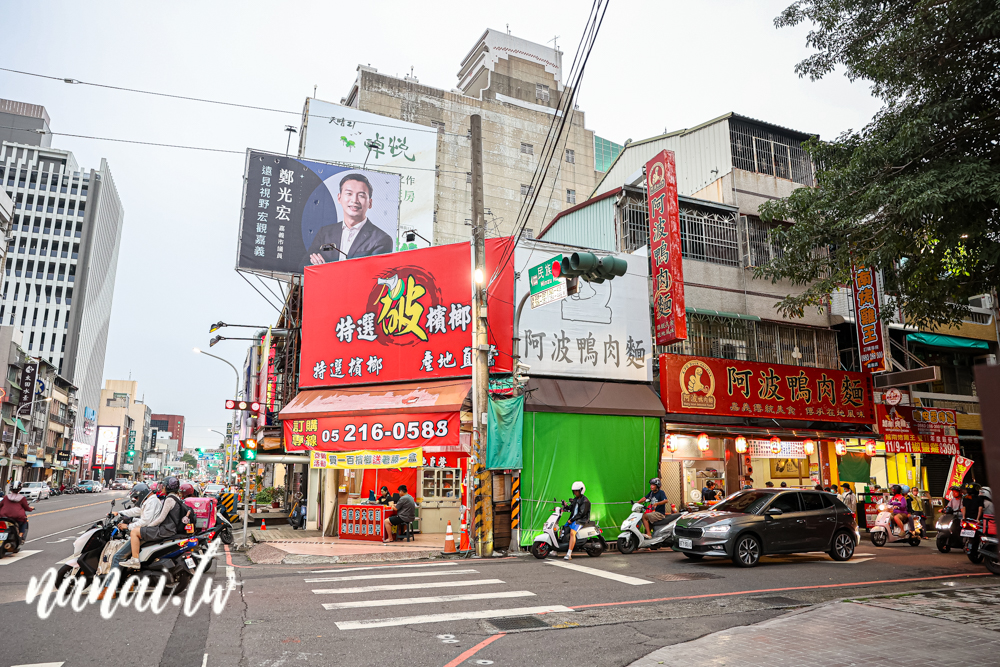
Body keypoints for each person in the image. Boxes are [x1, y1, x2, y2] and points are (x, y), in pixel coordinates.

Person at [303, 173, 394, 268]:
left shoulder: (381, 239)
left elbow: (372, 275)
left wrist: (325, 270)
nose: (354, 200)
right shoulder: (325, 233)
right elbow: (303, 265)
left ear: (370, 203)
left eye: (361, 195)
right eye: (349, 194)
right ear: (339, 198)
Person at [119, 477, 186, 569]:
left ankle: (135, 560)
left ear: (168, 487)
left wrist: (147, 527)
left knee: (134, 531)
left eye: (163, 486)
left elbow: (161, 518)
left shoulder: (169, 499)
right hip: (170, 528)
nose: (161, 488)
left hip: (166, 529)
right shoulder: (176, 497)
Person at [564, 481, 591, 561]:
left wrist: (571, 520)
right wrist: (566, 506)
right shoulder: (576, 499)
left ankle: (569, 554)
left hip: (580, 520)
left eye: (576, 491)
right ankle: (555, 550)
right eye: (574, 491)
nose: (575, 492)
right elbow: (571, 508)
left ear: (581, 490)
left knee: (572, 533)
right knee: (563, 529)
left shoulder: (585, 501)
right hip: (573, 519)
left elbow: (581, 514)